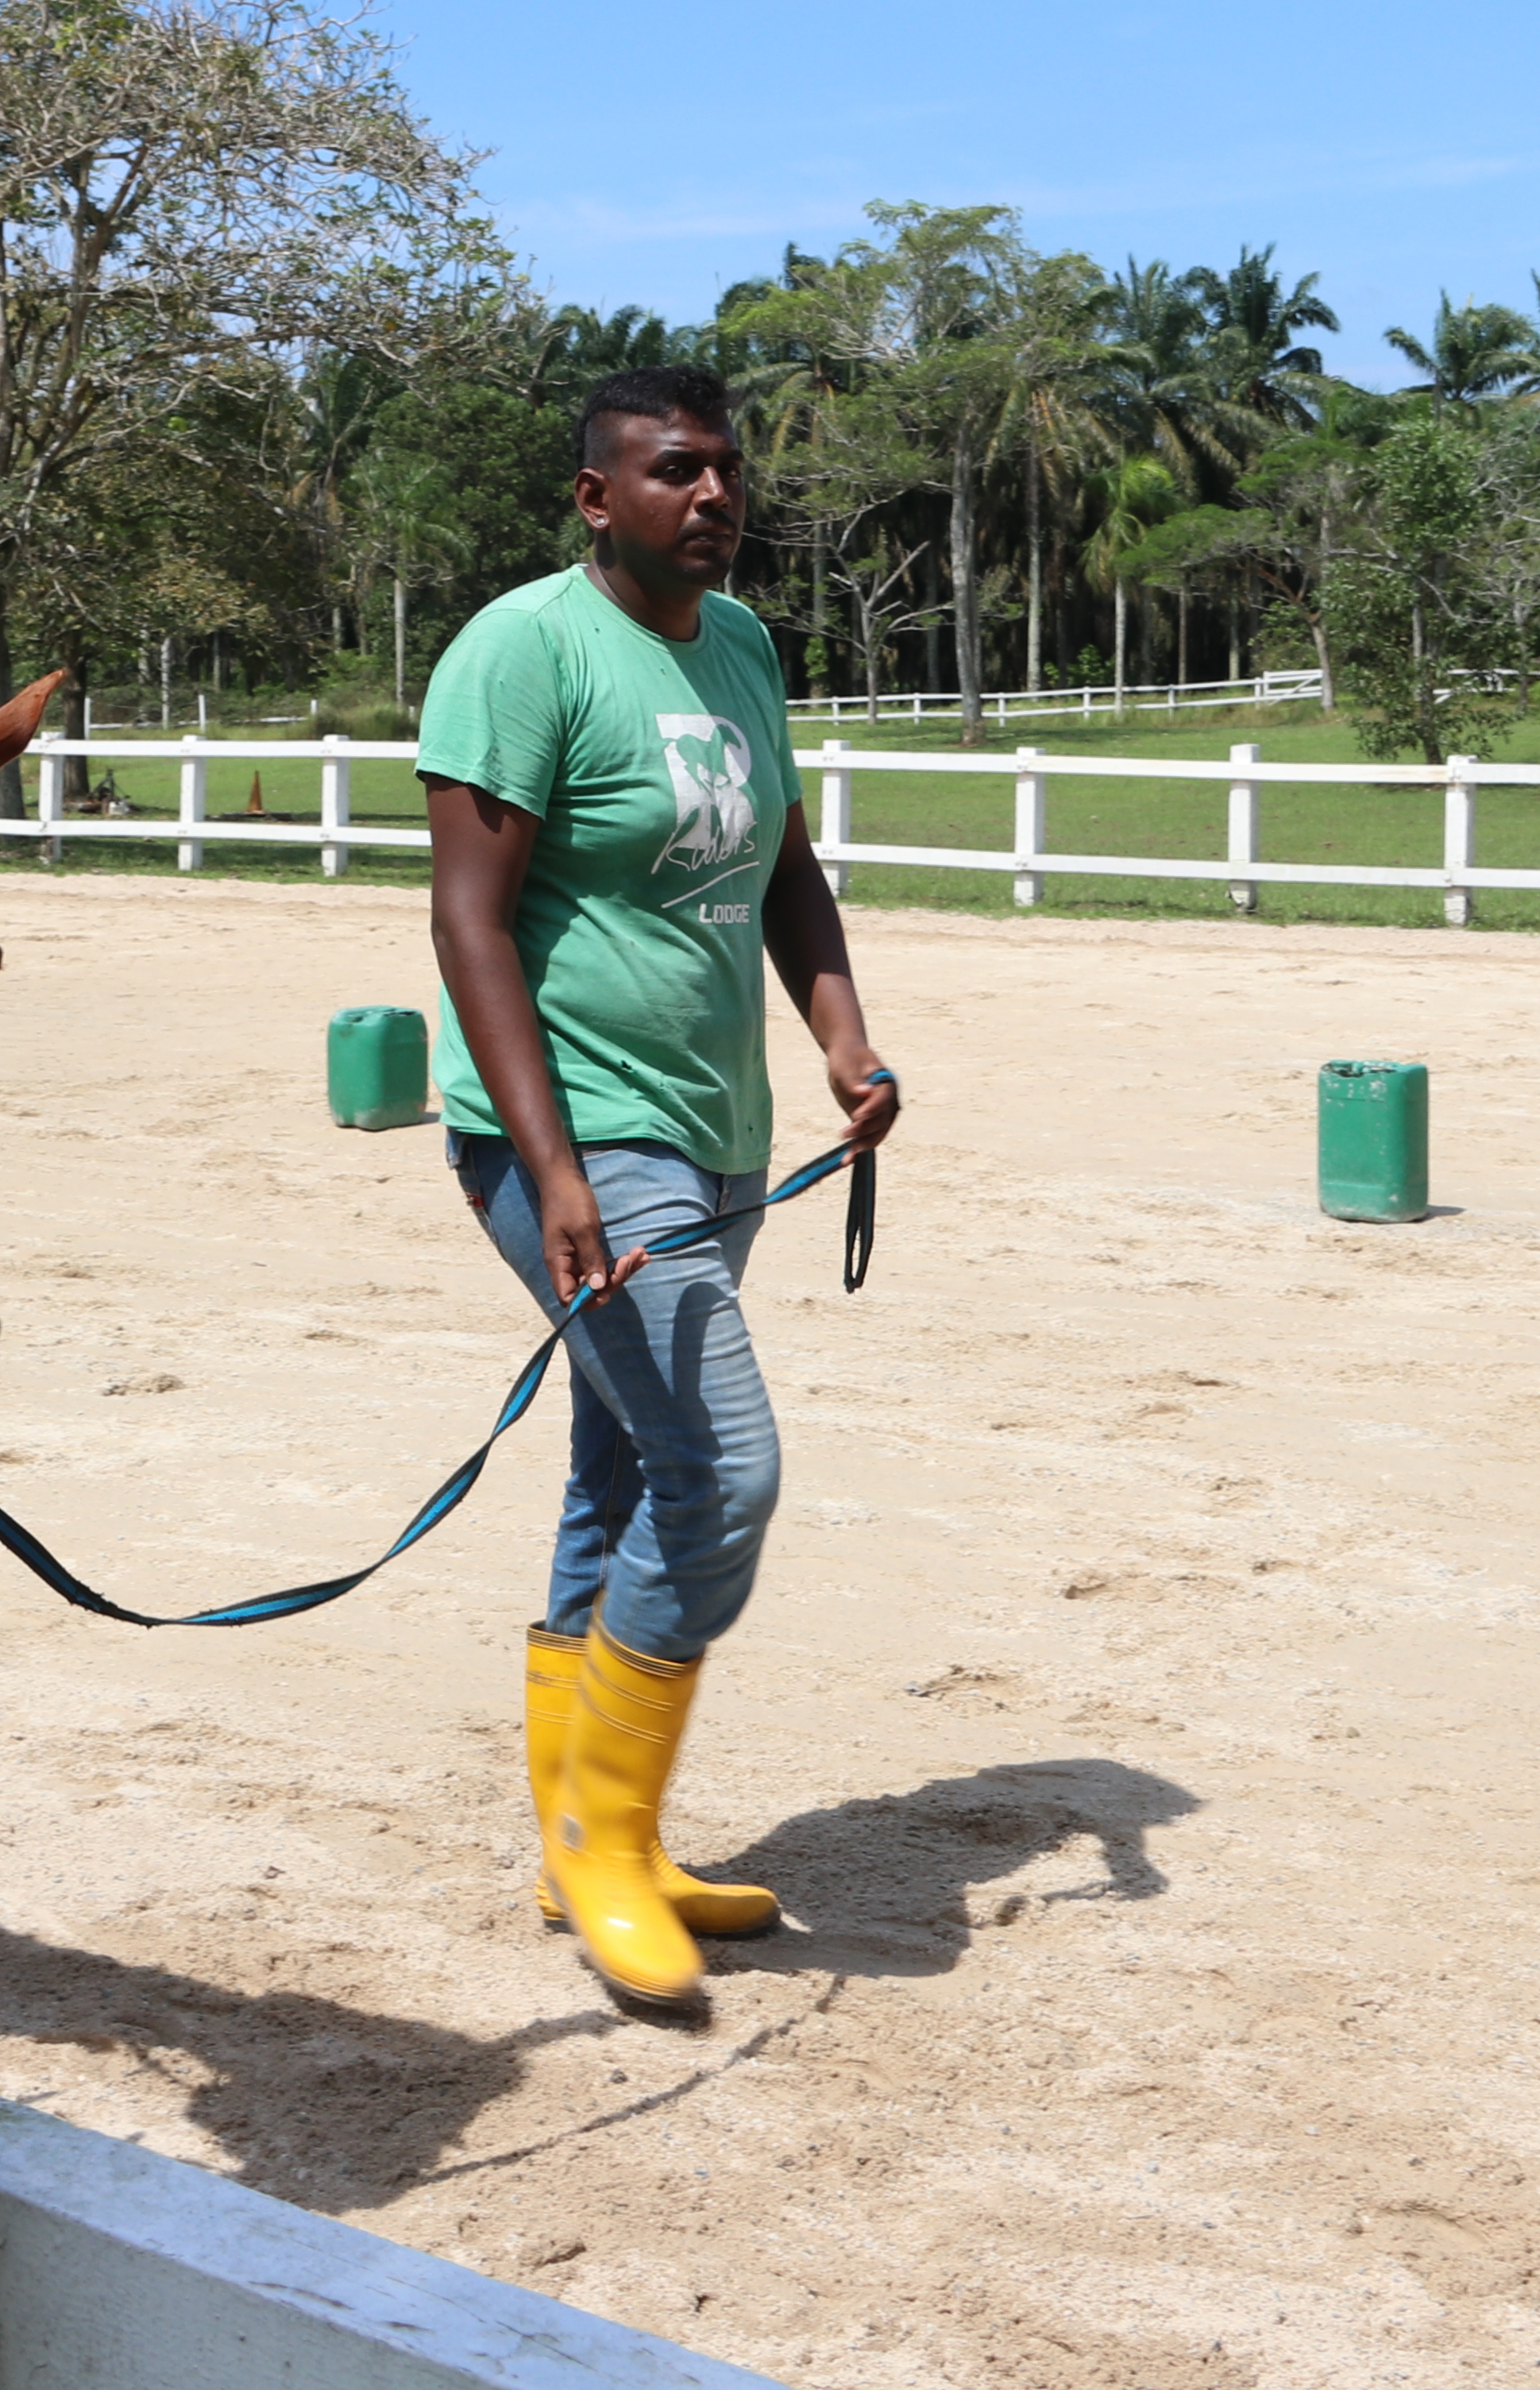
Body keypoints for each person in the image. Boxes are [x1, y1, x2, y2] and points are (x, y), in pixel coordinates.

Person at [419, 359, 905, 2017]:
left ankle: (584, 1842)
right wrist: (555, 1169)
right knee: (721, 1471)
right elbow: (470, 921)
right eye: (676, 470)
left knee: (624, 1467)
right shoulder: (522, 651)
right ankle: (608, 1844)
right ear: (596, 494)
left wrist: (842, 1040)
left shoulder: (744, 645)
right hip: (569, 1133)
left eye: (726, 471)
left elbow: (784, 868)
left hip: (716, 1133)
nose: (713, 495)